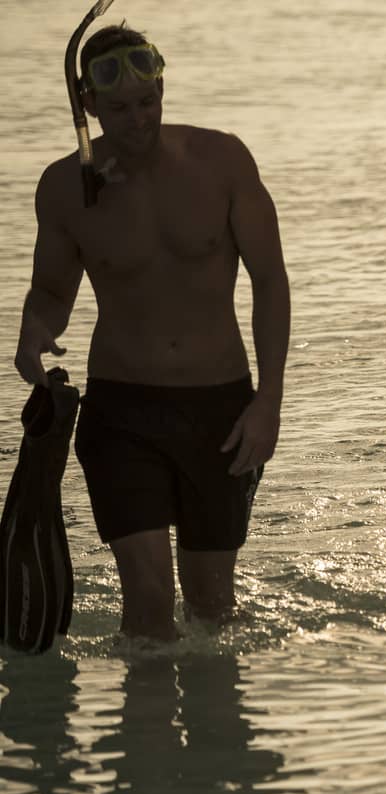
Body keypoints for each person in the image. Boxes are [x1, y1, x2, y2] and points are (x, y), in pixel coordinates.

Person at [13, 24, 291, 641]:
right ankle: (143, 704)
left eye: (147, 101)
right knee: (146, 600)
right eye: (118, 109)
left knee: (213, 606)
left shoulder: (222, 161)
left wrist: (268, 402)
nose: (138, 119)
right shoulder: (64, 188)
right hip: (122, 410)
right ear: (88, 104)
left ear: (162, 89)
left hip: (220, 409)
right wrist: (33, 332)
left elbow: (271, 281)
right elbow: (52, 292)